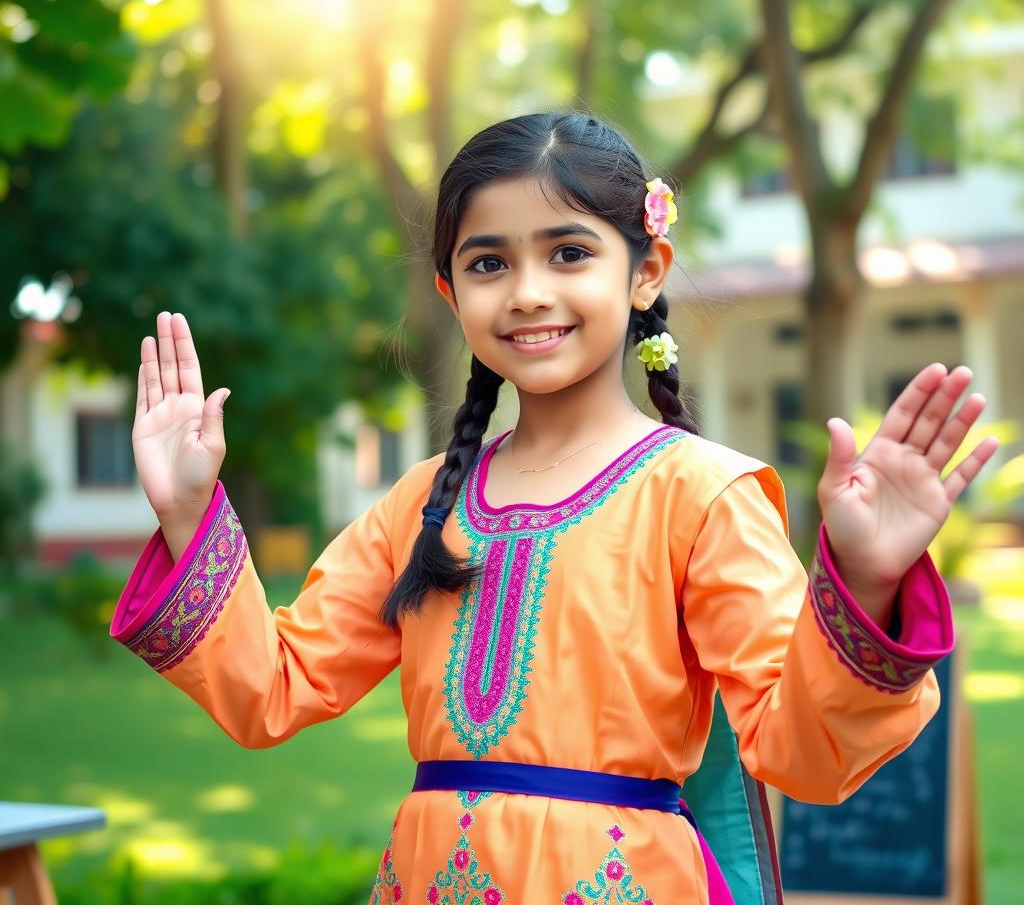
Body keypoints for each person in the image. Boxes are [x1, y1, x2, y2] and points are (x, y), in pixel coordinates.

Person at [111, 111, 996, 904]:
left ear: (646, 271)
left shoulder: (702, 493)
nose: (528, 290)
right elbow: (273, 688)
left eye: (568, 252)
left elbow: (801, 751)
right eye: (489, 262)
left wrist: (869, 584)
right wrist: (191, 514)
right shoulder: (423, 502)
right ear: (452, 295)